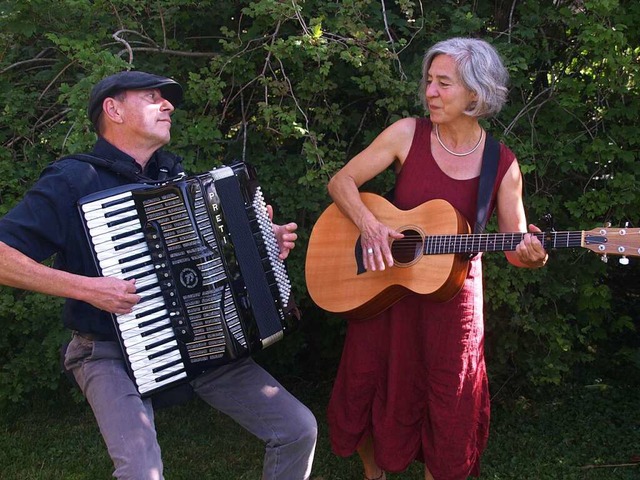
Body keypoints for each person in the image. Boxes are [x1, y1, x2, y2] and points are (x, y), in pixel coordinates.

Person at [0, 71, 317, 480]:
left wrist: (259, 237)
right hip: (107, 350)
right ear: (113, 109)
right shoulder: (73, 179)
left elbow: (210, 260)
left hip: (199, 341)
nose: (167, 105)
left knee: (297, 429)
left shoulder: (171, 177)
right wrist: (88, 289)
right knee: (141, 474)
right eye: (152, 97)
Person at [325, 38, 548, 480]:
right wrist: (370, 225)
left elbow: (515, 246)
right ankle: (374, 474)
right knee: (368, 381)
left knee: (450, 403)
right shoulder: (408, 133)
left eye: (443, 83)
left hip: (453, 305)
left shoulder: (501, 165)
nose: (429, 91)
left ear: (475, 94)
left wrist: (533, 256)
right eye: (429, 81)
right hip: (386, 286)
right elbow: (342, 181)